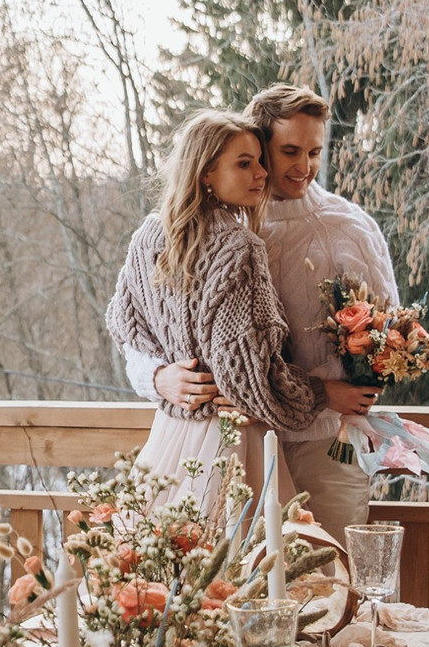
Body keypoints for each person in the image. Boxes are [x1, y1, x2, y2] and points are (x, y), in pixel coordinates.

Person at [120, 84, 395, 535]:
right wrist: (157, 377)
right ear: (258, 146)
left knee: (326, 583)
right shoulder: (217, 231)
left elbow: (389, 337)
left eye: (315, 151)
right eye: (289, 151)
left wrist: (355, 389)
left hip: (324, 443)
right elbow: (135, 335)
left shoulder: (350, 229)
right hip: (230, 439)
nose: (304, 166)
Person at [105, 111, 329, 514]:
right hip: (232, 443)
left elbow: (128, 333)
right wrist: (323, 393)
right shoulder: (240, 250)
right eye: (244, 163)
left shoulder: (149, 237)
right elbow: (254, 381)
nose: (262, 173)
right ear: (206, 172)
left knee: (162, 566)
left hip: (171, 436)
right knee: (252, 565)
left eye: (261, 161)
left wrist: (160, 378)